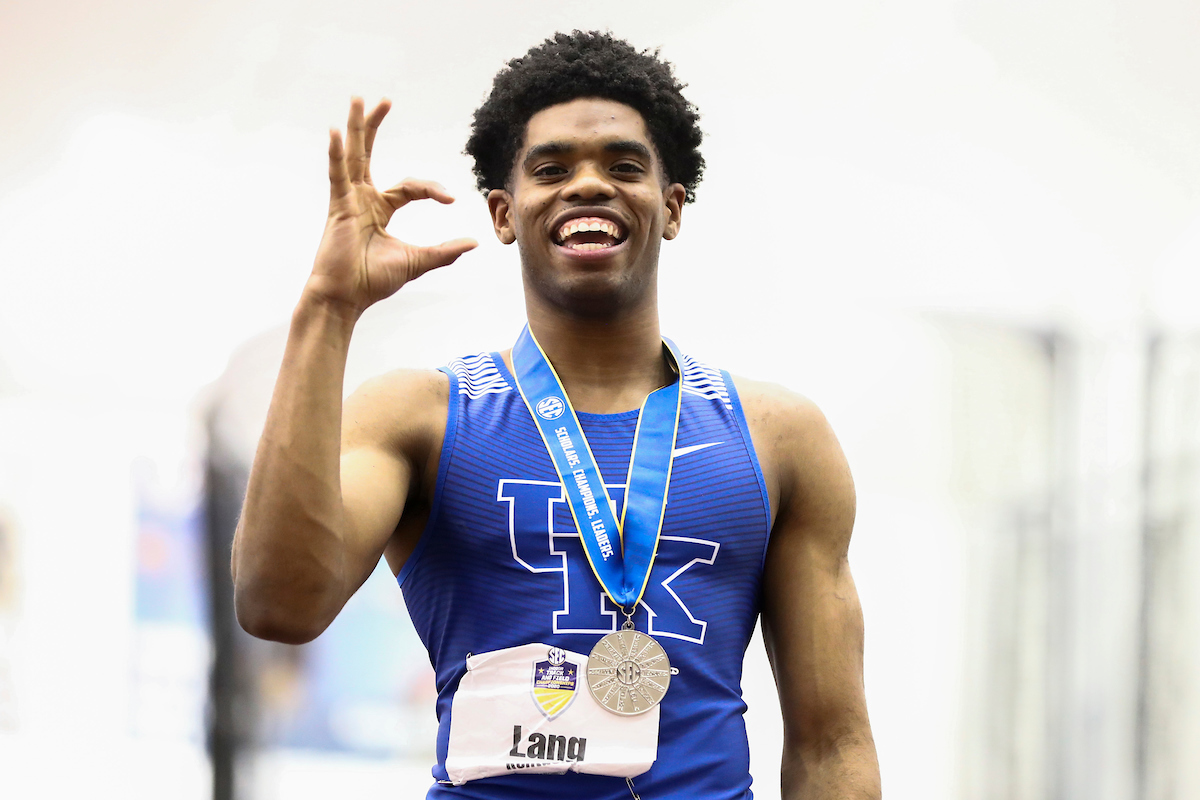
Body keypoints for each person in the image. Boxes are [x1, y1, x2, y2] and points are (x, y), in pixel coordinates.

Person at [232, 30, 881, 800]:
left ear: (671, 208)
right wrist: (328, 308)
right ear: (505, 214)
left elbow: (833, 740)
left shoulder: (780, 438)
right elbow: (277, 603)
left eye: (624, 166)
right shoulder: (422, 418)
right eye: (551, 169)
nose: (587, 184)